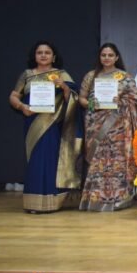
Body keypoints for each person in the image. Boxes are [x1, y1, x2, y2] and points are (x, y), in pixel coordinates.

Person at [8, 41, 81, 213]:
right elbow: (13, 95)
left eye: (47, 52)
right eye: (39, 52)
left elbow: (74, 97)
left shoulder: (61, 74)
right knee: (35, 160)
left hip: (52, 124)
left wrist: (63, 86)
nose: (43, 55)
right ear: (34, 56)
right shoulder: (27, 74)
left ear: (53, 57)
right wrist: (22, 107)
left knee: (50, 159)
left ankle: (52, 203)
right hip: (32, 122)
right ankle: (33, 203)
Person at [77, 43, 137, 212]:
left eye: (110, 55)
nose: (106, 58)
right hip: (95, 124)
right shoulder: (91, 76)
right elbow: (81, 98)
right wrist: (91, 104)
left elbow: (136, 99)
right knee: (97, 161)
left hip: (118, 126)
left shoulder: (124, 77)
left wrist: (121, 101)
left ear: (116, 57)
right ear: (100, 57)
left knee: (116, 162)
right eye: (103, 55)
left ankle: (119, 199)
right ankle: (94, 199)